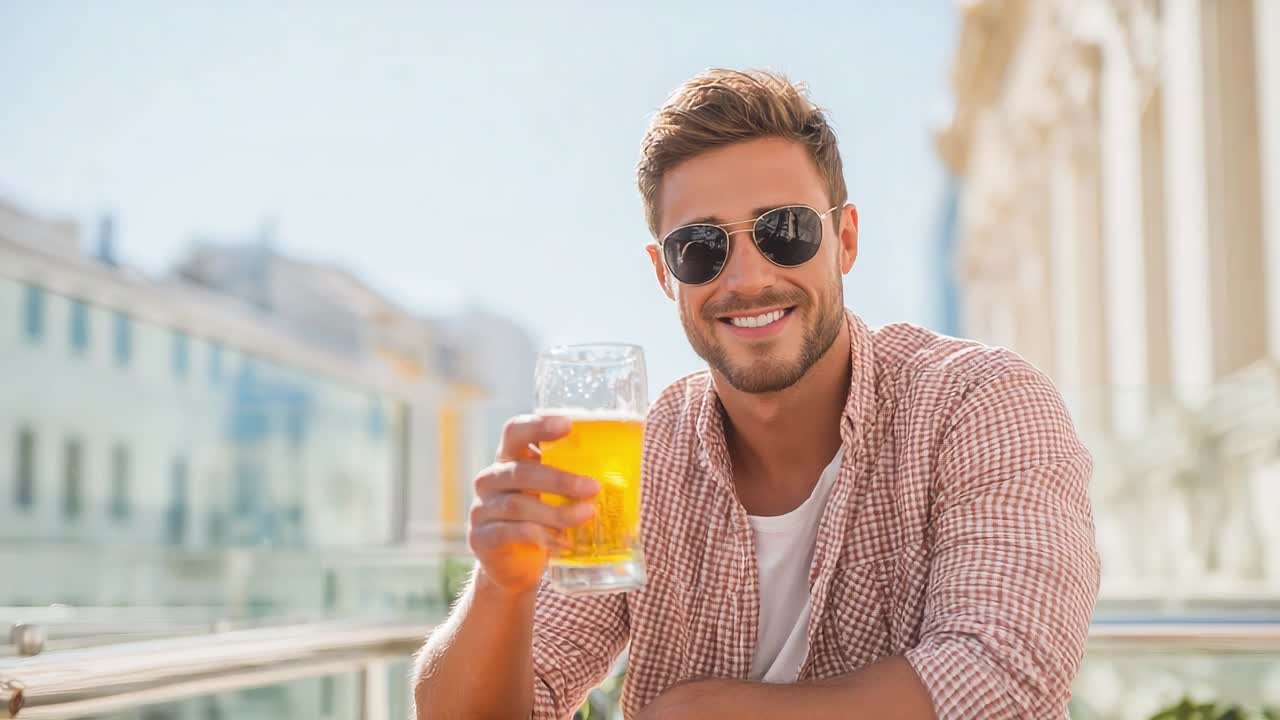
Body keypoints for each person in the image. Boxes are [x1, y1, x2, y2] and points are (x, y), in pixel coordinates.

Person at [413, 68, 1100, 720]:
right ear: (664, 276)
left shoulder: (980, 404)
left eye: (785, 232)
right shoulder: (637, 464)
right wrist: (502, 588)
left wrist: (701, 712)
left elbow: (1009, 676)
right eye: (700, 248)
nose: (746, 277)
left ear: (846, 240)